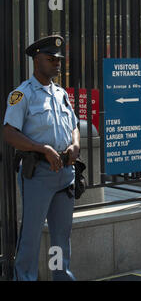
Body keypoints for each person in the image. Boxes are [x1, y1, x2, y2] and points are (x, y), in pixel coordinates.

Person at [3, 35, 79, 281]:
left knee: (60, 236)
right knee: (31, 236)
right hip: (38, 175)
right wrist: (42, 148)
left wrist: (76, 144)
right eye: (51, 59)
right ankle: (25, 277)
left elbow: (75, 126)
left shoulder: (61, 94)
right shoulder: (22, 95)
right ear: (37, 61)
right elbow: (9, 133)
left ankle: (61, 276)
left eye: (58, 60)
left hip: (65, 174)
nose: (57, 64)